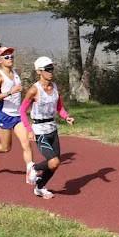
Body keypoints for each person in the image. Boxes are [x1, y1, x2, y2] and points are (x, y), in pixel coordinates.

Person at [19, 56, 74, 200]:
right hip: (40, 130)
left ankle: (39, 187)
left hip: (52, 129)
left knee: (55, 164)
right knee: (54, 161)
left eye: (52, 69)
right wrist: (29, 130)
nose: (51, 72)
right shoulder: (34, 90)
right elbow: (22, 111)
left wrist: (66, 117)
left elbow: (59, 107)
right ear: (39, 71)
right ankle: (34, 168)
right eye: (47, 69)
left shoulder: (55, 87)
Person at [0, 47, 34, 182]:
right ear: (0, 61)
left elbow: (19, 94)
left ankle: (30, 173)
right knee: (6, 148)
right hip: (5, 115)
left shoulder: (16, 73)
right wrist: (11, 92)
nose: (10, 58)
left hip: (18, 116)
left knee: (26, 143)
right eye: (6, 57)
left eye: (11, 56)